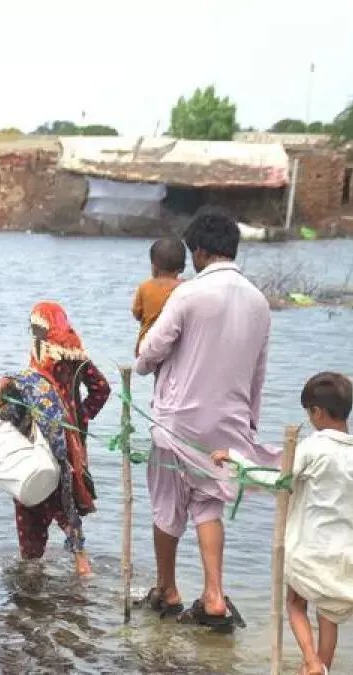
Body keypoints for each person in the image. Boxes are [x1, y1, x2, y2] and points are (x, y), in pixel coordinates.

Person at [134, 206, 277, 632]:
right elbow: (259, 371)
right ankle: (214, 594)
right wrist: (249, 422)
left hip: (178, 420)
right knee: (208, 505)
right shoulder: (259, 301)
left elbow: (152, 351)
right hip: (229, 423)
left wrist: (142, 363)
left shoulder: (189, 293)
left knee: (166, 505)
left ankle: (167, 589)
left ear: (198, 251)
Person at [212, 372, 353, 674]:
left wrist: (236, 460)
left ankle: (311, 661)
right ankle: (322, 669)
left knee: (295, 605)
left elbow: (278, 481)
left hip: (310, 550)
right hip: (344, 555)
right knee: (328, 617)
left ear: (316, 412)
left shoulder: (314, 447)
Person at [0, 302, 109, 575]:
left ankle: (62, 563)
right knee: (55, 496)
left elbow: (33, 384)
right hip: (66, 438)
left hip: (47, 437)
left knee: (41, 492)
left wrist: (8, 382)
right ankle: (57, 565)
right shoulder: (77, 354)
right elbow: (101, 389)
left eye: (37, 326)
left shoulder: (52, 354)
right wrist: (79, 419)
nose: (34, 331)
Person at [132, 237, 186, 357]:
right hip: (177, 348)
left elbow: (137, 314)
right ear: (182, 267)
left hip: (147, 346)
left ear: (154, 266)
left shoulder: (145, 287)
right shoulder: (187, 288)